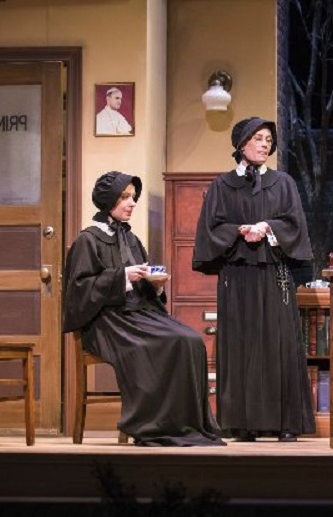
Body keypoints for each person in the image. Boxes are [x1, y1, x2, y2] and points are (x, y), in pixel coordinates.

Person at [63, 171, 224, 447]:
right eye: (125, 197)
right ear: (109, 199)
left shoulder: (132, 239)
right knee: (159, 344)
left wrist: (156, 286)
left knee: (190, 340)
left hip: (139, 314)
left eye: (134, 197)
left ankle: (184, 424)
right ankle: (153, 426)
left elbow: (145, 287)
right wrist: (122, 277)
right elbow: (79, 291)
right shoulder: (87, 240)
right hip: (107, 320)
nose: (132, 203)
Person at [192, 116, 316, 442]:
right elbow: (211, 229)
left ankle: (285, 423)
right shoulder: (222, 186)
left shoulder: (283, 183)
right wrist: (238, 230)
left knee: (279, 345)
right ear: (242, 143)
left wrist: (268, 227)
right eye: (258, 138)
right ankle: (242, 424)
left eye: (268, 140)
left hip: (275, 273)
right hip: (237, 275)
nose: (265, 145)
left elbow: (295, 225)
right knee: (241, 345)